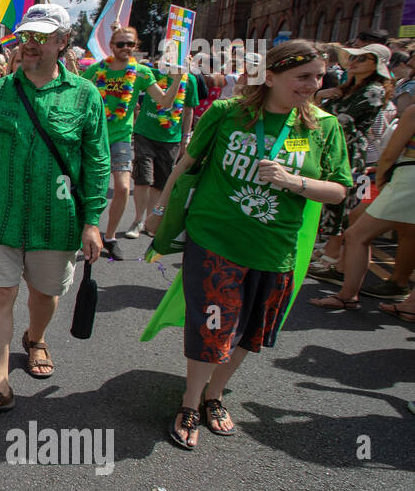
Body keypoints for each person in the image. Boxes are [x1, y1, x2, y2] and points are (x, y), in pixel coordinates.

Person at [145, 40, 350, 449]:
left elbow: (339, 190)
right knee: (212, 324)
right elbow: (187, 163)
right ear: (270, 76)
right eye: (303, 76)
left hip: (275, 248)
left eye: (319, 76)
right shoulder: (227, 113)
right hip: (215, 239)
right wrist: (160, 209)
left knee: (249, 332)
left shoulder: (323, 128)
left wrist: (295, 182)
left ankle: (214, 396)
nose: (314, 84)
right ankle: (189, 401)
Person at [0, 4, 108, 424]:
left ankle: (35, 337)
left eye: (43, 37)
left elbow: (97, 160)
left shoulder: (84, 95)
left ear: (63, 42)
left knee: (46, 294)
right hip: (1, 216)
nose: (32, 45)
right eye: (27, 37)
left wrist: (92, 219)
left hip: (56, 221)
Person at [81, 25, 184, 256]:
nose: (125, 48)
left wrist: (176, 79)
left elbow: (166, 102)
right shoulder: (97, 70)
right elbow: (77, 89)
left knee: (123, 187)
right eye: (120, 44)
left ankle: (109, 236)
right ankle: (87, 229)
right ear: (112, 46)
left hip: (121, 139)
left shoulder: (141, 73)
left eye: (130, 44)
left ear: (136, 46)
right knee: (89, 188)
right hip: (94, 138)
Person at [310, 44, 391, 279]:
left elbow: (341, 120)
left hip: (350, 152)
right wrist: (319, 95)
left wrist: (321, 103)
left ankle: (333, 255)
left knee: (342, 204)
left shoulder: (374, 90)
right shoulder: (347, 89)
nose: (354, 62)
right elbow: (317, 113)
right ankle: (329, 250)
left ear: (376, 64)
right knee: (331, 204)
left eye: (363, 59)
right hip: (330, 148)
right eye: (353, 57)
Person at [123, 33, 196, 244]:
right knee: (144, 178)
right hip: (145, 133)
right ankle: (136, 220)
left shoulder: (188, 80)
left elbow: (189, 110)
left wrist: (185, 137)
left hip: (171, 138)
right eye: (169, 55)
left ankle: (150, 220)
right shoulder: (151, 74)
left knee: (160, 182)